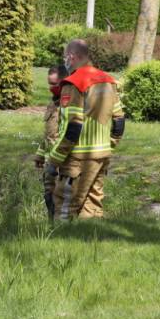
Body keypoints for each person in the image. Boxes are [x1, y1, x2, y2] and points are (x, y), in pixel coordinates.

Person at [45, 40, 126, 220]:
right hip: (101, 156)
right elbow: (119, 121)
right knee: (92, 206)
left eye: (66, 57)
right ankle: (89, 245)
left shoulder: (73, 83)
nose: (65, 61)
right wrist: (109, 145)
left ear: (72, 57)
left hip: (77, 159)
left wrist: (54, 160)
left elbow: (72, 127)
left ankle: (60, 245)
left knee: (65, 205)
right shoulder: (108, 80)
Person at [34, 65, 67, 218]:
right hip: (49, 160)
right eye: (49, 83)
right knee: (48, 197)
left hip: (61, 161)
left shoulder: (68, 106)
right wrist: (40, 155)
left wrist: (57, 160)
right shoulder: (52, 104)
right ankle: (51, 227)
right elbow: (48, 133)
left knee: (60, 199)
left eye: (55, 84)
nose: (51, 88)